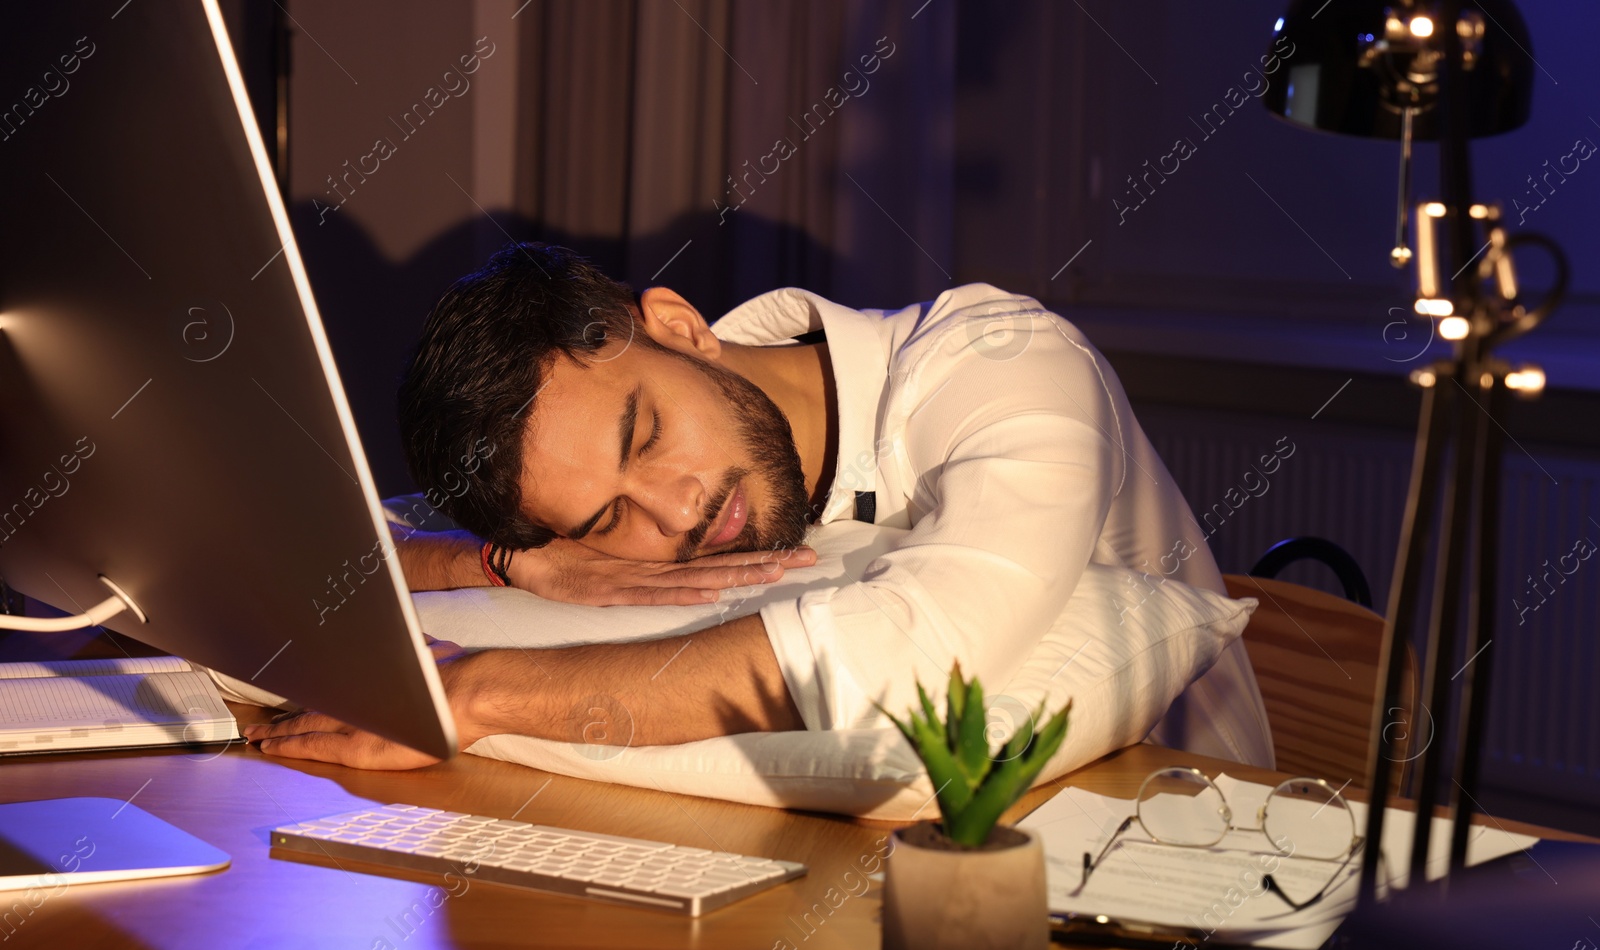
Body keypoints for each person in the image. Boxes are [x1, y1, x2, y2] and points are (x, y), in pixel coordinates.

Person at [243, 243, 1272, 770]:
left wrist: (473, 696)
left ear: (680, 327)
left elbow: (930, 638)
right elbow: (309, 549)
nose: (673, 512)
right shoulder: (620, 516)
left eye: (641, 434)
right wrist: (511, 564)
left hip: (1188, 910)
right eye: (605, 521)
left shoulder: (1002, 358)